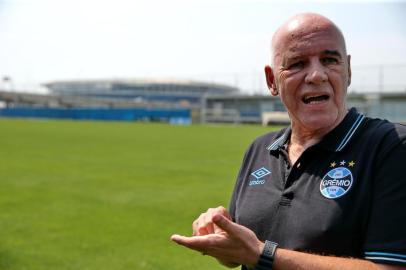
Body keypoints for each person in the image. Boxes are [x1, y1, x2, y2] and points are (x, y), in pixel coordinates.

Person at [171, 12, 406, 270]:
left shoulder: (391, 146)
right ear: (272, 81)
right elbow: (242, 252)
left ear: (348, 71)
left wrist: (264, 255)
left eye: (329, 59)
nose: (316, 74)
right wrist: (221, 238)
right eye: (297, 63)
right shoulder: (260, 150)